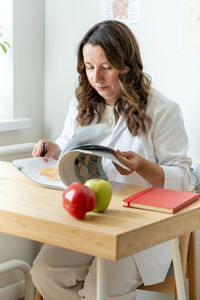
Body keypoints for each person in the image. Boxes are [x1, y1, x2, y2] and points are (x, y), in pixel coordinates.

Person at [31, 20, 191, 300]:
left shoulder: (163, 110)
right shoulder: (81, 104)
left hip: (142, 227)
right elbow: (71, 148)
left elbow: (185, 179)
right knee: (44, 271)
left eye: (106, 67)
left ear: (127, 65)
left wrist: (144, 166)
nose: (96, 78)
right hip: (91, 217)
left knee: (98, 291)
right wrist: (55, 149)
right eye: (89, 67)